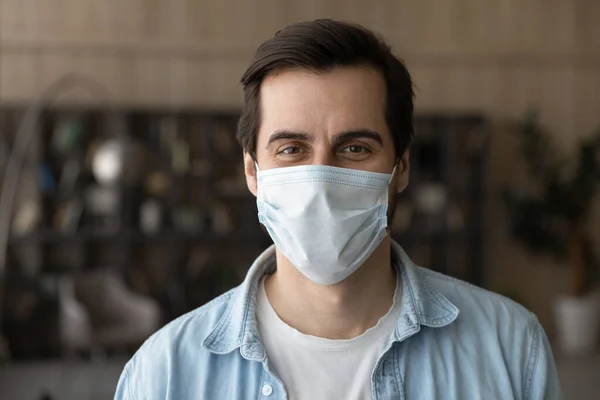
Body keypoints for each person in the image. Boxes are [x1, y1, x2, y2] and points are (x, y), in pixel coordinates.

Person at [114, 19, 562, 400]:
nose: (320, 180)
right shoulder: (164, 374)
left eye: (354, 147)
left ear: (400, 166)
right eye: (291, 149)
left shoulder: (510, 349)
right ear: (252, 173)